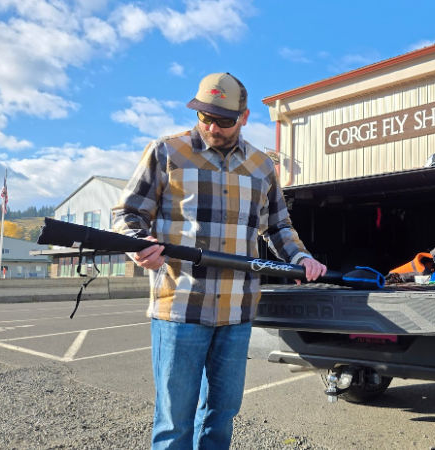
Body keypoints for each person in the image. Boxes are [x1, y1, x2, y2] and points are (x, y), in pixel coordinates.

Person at [112, 72, 326, 449]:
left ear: (243, 116)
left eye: (224, 120)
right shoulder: (166, 152)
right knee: (173, 422)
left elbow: (277, 226)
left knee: (221, 416)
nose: (212, 127)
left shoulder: (262, 166)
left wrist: (301, 258)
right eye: (204, 117)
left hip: (236, 312)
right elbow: (128, 214)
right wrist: (138, 243)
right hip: (179, 309)